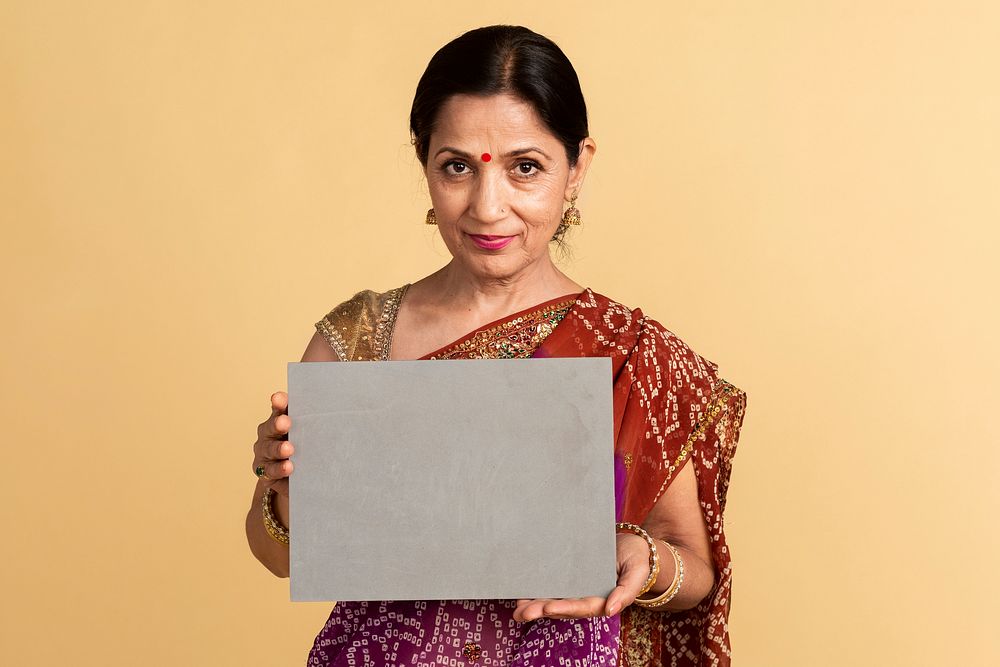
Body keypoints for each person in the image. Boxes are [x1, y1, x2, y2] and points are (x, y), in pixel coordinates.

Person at [245, 24, 747, 667]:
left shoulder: (629, 355)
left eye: (525, 168)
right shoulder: (361, 336)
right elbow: (284, 557)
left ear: (577, 168)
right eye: (456, 167)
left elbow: (693, 567)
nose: (488, 207)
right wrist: (285, 482)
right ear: (423, 163)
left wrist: (646, 560)